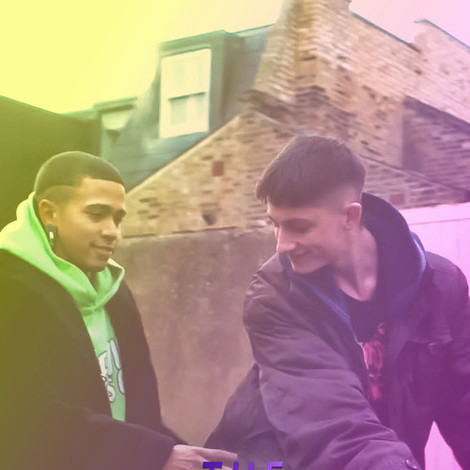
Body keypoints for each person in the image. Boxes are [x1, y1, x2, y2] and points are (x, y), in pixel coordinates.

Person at [207, 136, 470, 470]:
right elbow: (335, 431)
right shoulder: (274, 295)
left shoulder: (440, 286)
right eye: (276, 224)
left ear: (350, 216)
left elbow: (463, 404)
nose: (282, 245)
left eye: (299, 227)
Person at [0, 151, 235, 470]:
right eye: (96, 214)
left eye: (117, 218)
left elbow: (141, 412)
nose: (112, 231)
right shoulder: (9, 288)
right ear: (49, 212)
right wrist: (153, 453)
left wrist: (186, 455)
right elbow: (20, 417)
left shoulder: (114, 291)